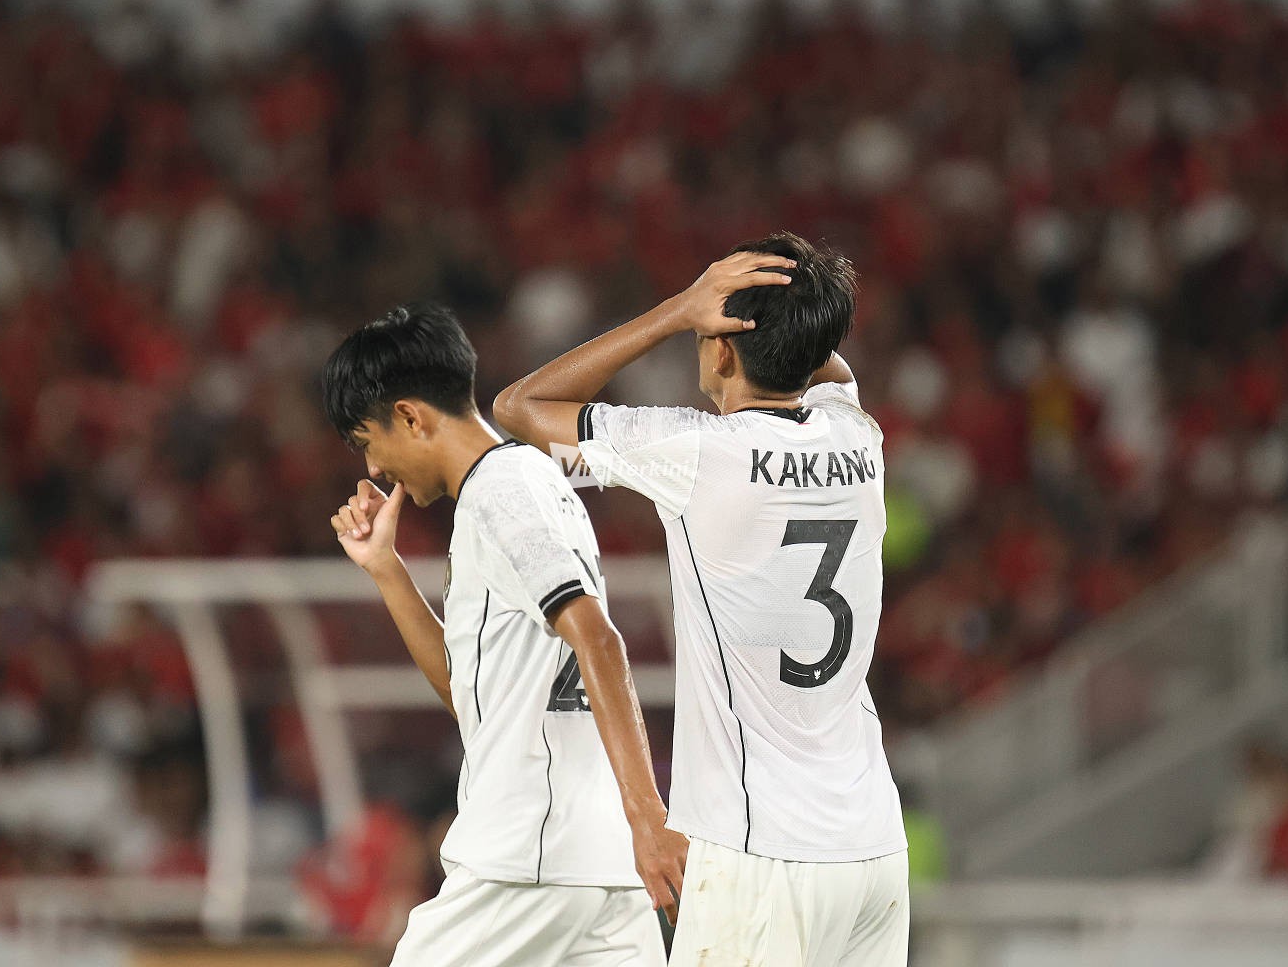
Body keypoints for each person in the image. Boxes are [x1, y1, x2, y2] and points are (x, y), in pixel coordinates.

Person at [495, 233, 909, 967]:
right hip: (872, 846)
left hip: (762, 851)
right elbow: (828, 364)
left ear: (719, 350)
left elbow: (519, 406)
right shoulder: (857, 437)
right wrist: (792, 306)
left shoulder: (693, 453)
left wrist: (679, 309)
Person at [322, 306, 683, 966]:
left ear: (410, 416)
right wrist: (387, 570)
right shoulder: (533, 480)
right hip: (597, 866)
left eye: (368, 441)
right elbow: (475, 698)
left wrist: (649, 818)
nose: (374, 467)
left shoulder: (500, 495)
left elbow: (598, 638)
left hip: (528, 858)